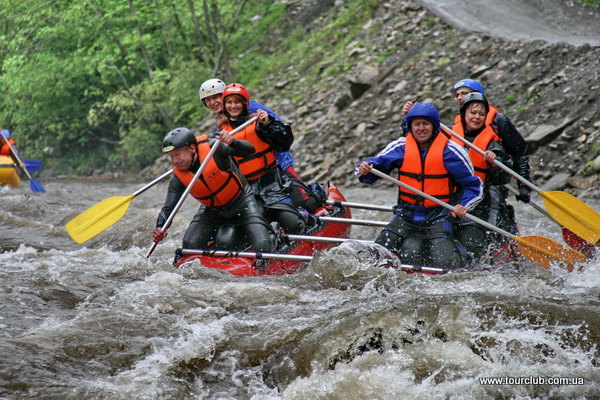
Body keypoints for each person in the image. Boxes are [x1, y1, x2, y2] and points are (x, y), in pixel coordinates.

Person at [355, 103, 483, 269]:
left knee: (445, 263)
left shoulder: (451, 151)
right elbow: (374, 167)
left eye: (425, 124)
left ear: (434, 126)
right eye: (417, 124)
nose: (421, 128)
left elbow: (474, 186)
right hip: (406, 215)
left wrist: (463, 205)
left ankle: (461, 251)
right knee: (377, 255)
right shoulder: (400, 147)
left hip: (439, 215)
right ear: (410, 126)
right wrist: (365, 169)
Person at [199, 78, 326, 213]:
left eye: (216, 97)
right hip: (251, 177)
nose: (213, 102)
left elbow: (277, 127)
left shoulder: (251, 107)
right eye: (208, 100)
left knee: (303, 202)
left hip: (277, 162)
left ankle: (316, 200)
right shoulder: (219, 127)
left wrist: (266, 124)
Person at [152, 127, 275, 256]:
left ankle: (273, 237)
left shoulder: (215, 149)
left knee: (262, 245)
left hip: (242, 203)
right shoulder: (178, 178)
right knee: (190, 244)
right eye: (171, 157)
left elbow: (250, 150)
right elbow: (169, 208)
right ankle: (215, 243)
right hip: (212, 210)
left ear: (192, 148)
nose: (175, 161)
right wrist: (161, 227)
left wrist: (232, 142)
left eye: (177, 154)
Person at [217, 83, 307, 235]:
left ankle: (303, 221)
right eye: (229, 102)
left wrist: (269, 123)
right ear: (225, 106)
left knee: (293, 224)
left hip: (274, 184)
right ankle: (272, 236)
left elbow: (285, 142)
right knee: (253, 231)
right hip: (249, 191)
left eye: (237, 102)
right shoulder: (220, 133)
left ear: (245, 103)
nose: (233, 106)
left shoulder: (258, 122)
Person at [451, 93, 519, 259]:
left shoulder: (492, 142)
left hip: (476, 207)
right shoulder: (448, 136)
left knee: (471, 247)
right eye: (473, 113)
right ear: (464, 114)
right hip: (448, 204)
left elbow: (502, 179)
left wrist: (495, 163)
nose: (477, 117)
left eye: (481, 114)